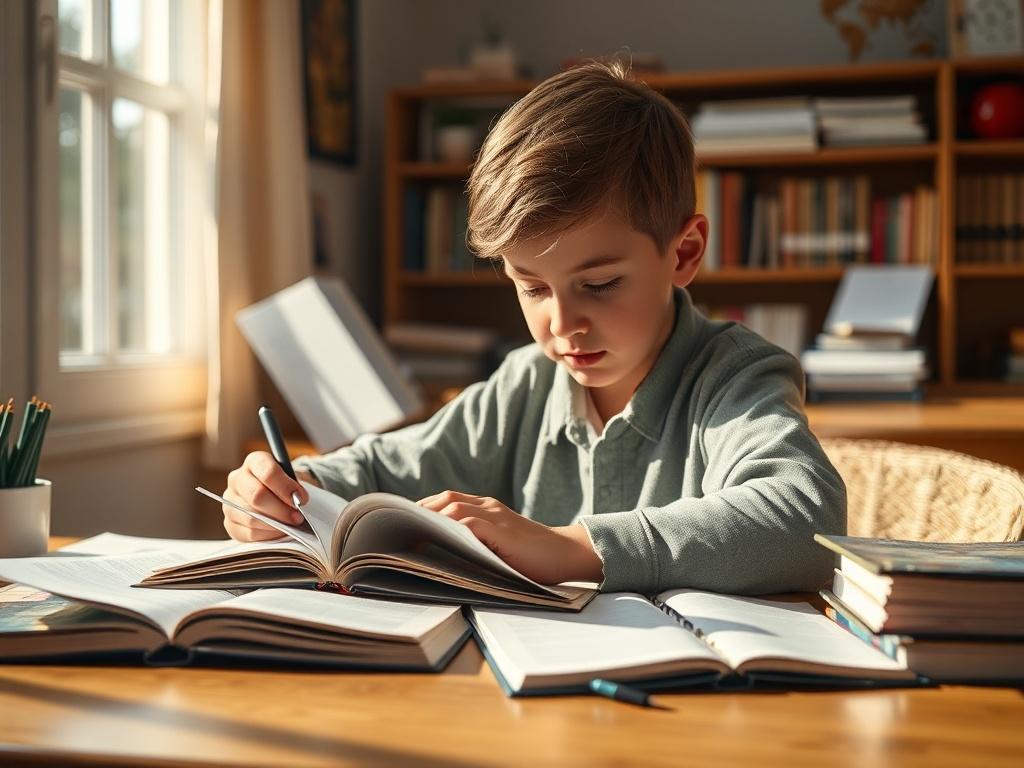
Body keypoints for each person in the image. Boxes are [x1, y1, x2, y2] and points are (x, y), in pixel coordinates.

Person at [221, 60, 846, 595]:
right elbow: (387, 468)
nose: (563, 324)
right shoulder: (525, 384)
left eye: (599, 285)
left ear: (682, 254)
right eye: (533, 288)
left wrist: (574, 548)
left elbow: (804, 518)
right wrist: (293, 489)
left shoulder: (733, 377)